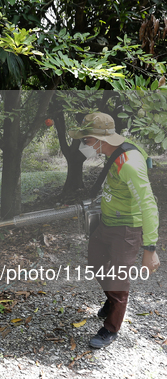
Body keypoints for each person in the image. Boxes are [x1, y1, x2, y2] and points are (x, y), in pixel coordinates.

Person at [69, 112, 160, 349]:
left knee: (119, 280)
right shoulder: (113, 151)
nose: (84, 145)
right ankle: (112, 300)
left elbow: (148, 204)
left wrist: (150, 249)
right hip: (107, 222)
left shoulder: (130, 164)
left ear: (101, 139)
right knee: (96, 265)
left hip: (127, 229)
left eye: (86, 140)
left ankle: (111, 328)